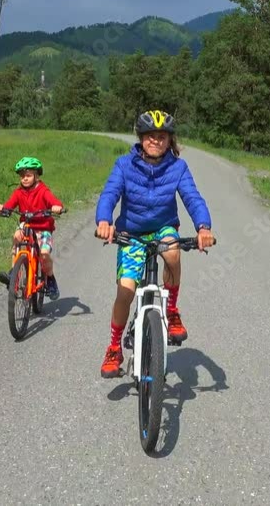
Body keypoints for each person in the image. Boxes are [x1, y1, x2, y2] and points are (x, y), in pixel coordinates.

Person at [94, 110, 215, 378]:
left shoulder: (177, 167)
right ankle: (114, 347)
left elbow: (192, 197)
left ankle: (171, 310)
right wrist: (104, 221)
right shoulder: (124, 165)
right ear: (141, 138)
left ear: (170, 140)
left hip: (163, 227)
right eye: (150, 136)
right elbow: (110, 193)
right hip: (131, 233)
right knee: (125, 290)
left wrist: (203, 227)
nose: (156, 141)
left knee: (173, 253)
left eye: (162, 137)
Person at [0, 157, 64, 300]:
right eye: (22, 176)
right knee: (17, 237)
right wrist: (2, 208)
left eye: (28, 175)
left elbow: (54, 202)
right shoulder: (19, 192)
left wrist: (57, 207)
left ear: (36, 176)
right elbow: (10, 205)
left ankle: (50, 280)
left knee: (44, 254)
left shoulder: (43, 190)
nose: (24, 179)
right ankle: (14, 273)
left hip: (43, 227)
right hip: (26, 224)